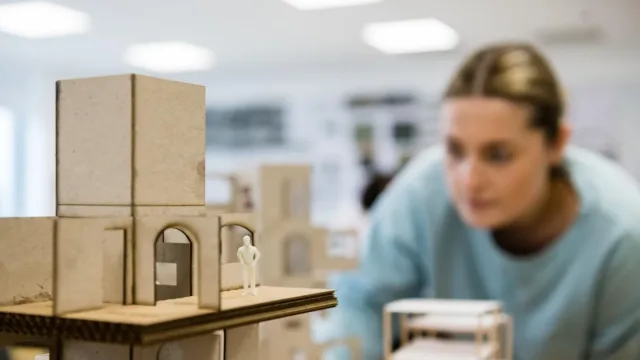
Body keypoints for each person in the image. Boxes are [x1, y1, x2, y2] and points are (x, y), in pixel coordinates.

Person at [323, 43, 640, 359]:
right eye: (455, 150)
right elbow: (358, 305)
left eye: (498, 155)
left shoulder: (622, 235)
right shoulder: (421, 192)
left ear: (556, 143)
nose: (469, 180)